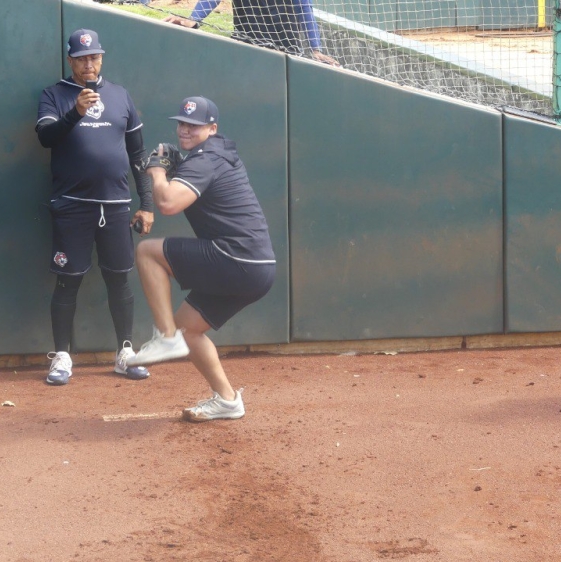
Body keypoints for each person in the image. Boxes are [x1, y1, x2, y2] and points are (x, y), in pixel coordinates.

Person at [127, 97, 277, 422]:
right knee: (188, 329)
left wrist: (156, 172)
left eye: (193, 125)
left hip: (237, 257)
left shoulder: (206, 158)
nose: (185, 130)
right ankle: (227, 400)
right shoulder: (213, 153)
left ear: (212, 128)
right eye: (182, 123)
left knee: (147, 252)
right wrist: (174, 161)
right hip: (255, 266)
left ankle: (164, 339)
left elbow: (167, 203)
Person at [35, 29, 153, 386]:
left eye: (95, 57)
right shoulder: (53, 95)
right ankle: (62, 357)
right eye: (82, 58)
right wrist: (74, 113)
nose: (89, 63)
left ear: (101, 58)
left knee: (119, 279)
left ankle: (125, 354)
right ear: (71, 60)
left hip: (116, 205)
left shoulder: (120, 95)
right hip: (72, 205)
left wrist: (146, 203)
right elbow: (46, 138)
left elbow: (138, 155)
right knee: (68, 282)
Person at [163, 0, 340, 67]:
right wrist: (193, 19)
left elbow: (304, 9)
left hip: (283, 54)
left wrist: (315, 49)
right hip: (244, 48)